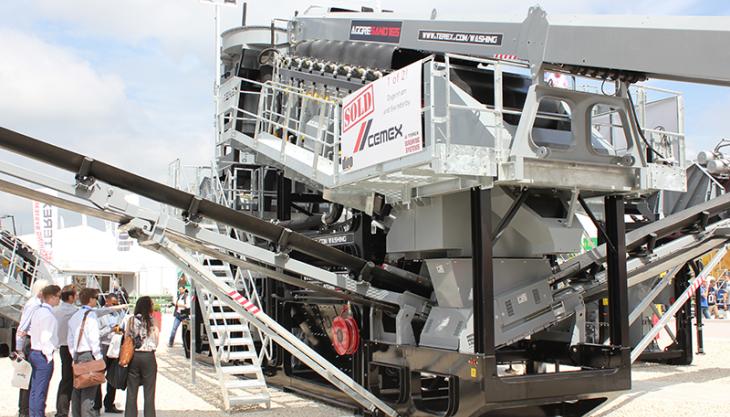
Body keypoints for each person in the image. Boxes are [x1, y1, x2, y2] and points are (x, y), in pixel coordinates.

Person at [15, 278, 49, 417]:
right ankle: (24, 410)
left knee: (32, 379)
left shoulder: (39, 304)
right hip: (30, 341)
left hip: (34, 340)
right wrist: (19, 349)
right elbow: (22, 327)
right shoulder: (33, 305)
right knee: (28, 378)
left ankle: (28, 409)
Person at [68, 288, 103, 417]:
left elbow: (70, 339)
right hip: (89, 355)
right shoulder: (91, 315)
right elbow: (93, 338)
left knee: (77, 389)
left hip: (77, 354)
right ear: (91, 299)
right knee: (89, 392)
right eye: (96, 298)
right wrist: (98, 356)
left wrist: (73, 354)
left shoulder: (75, 315)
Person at [28, 284, 61, 417]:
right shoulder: (48, 315)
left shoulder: (37, 311)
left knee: (35, 389)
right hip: (43, 354)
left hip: (34, 350)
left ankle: (34, 413)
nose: (59, 300)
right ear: (52, 297)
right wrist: (49, 355)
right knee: (41, 389)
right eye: (58, 297)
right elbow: (46, 338)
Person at [125, 296, 160, 417]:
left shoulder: (131, 320)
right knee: (149, 392)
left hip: (134, 356)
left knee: (131, 392)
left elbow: (127, 338)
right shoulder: (153, 320)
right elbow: (156, 339)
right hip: (148, 356)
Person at [94, 294, 125, 414]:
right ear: (107, 302)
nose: (115, 307)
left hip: (115, 346)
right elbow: (98, 333)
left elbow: (123, 325)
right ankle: (96, 405)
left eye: (116, 304)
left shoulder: (119, 313)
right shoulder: (100, 314)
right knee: (99, 375)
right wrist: (111, 329)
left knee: (113, 376)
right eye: (113, 304)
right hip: (104, 346)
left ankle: (109, 403)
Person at [53, 285, 79, 417]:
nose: (77, 296)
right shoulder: (74, 311)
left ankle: (62, 410)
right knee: (73, 379)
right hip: (71, 347)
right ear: (70, 297)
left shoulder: (55, 310)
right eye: (75, 294)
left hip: (61, 346)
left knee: (66, 379)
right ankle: (70, 410)